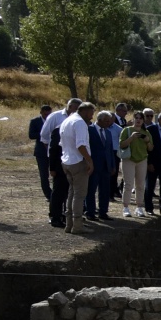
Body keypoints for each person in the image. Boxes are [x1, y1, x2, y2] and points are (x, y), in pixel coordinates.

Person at [59, 100, 96, 234]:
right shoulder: (79, 123)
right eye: (91, 113)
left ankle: (69, 224)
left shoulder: (67, 120)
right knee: (79, 195)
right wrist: (90, 161)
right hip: (78, 162)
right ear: (84, 111)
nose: (92, 117)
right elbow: (80, 145)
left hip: (67, 161)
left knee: (72, 193)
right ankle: (77, 225)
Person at [42, 98, 79, 228]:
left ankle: (62, 214)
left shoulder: (77, 127)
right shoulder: (59, 128)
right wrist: (52, 168)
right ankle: (54, 216)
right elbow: (52, 148)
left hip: (71, 164)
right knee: (58, 192)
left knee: (66, 192)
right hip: (59, 166)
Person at [85, 110, 120, 220]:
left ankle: (103, 211)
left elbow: (110, 150)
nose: (108, 123)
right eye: (106, 121)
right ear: (99, 120)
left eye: (109, 121)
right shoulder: (89, 130)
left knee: (105, 190)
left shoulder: (108, 132)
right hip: (94, 165)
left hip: (106, 166)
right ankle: (90, 212)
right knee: (91, 189)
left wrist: (113, 166)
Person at [119, 110, 152, 217]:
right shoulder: (126, 130)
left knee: (140, 185)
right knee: (128, 184)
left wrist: (147, 140)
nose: (138, 120)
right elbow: (122, 145)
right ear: (133, 119)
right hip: (129, 159)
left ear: (143, 120)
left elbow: (151, 148)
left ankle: (139, 207)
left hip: (142, 160)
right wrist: (132, 137)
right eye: (136, 118)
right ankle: (126, 207)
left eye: (140, 118)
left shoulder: (146, 132)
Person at [28, 103, 53, 200]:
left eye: (49, 114)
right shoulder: (35, 121)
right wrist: (44, 133)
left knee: (55, 172)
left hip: (53, 151)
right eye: (45, 114)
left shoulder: (53, 121)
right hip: (41, 152)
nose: (47, 116)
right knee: (44, 174)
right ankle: (48, 194)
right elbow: (31, 135)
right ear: (41, 113)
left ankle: (56, 193)